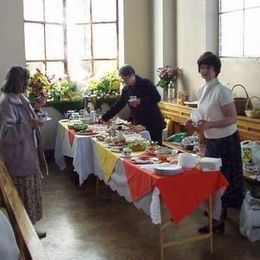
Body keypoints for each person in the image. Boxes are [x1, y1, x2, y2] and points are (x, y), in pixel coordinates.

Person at [185, 52, 244, 233]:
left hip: (226, 141)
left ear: (216, 69)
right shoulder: (203, 89)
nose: (204, 71)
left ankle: (218, 219)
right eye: (202, 67)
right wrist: (192, 121)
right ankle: (217, 215)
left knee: (221, 180)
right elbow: (203, 114)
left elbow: (232, 118)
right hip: (212, 140)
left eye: (208, 67)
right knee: (211, 178)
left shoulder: (221, 89)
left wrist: (210, 124)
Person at [0, 66, 47, 238]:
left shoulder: (20, 98)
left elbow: (27, 118)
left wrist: (37, 110)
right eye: (25, 80)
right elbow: (6, 135)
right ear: (17, 82)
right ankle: (21, 234)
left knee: (30, 198)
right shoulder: (6, 103)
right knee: (21, 199)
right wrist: (30, 125)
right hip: (18, 159)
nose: (27, 84)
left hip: (28, 156)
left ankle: (29, 231)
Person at [101, 65, 166, 145]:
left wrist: (140, 101)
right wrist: (105, 117)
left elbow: (157, 98)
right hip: (138, 123)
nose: (124, 81)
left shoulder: (146, 83)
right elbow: (119, 105)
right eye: (123, 79)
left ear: (132, 75)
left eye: (126, 79)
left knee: (154, 147)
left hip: (153, 122)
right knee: (140, 147)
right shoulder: (126, 90)